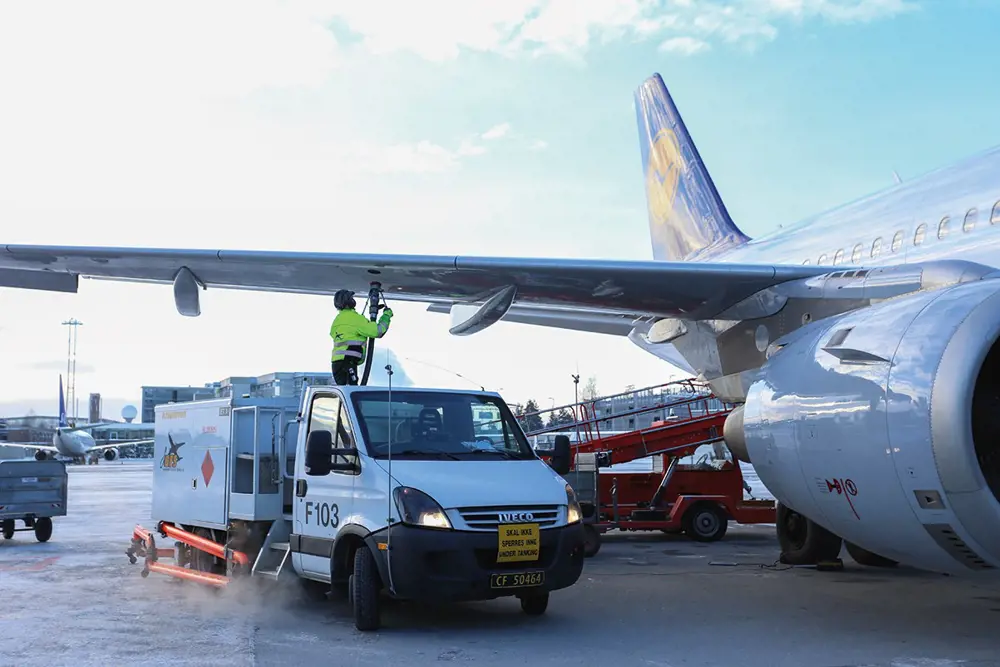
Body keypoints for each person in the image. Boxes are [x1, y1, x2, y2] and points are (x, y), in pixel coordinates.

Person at [330, 289, 393, 385]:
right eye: (351, 298)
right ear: (349, 301)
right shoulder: (354, 319)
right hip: (348, 363)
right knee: (351, 390)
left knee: (348, 391)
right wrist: (386, 315)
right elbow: (377, 331)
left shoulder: (338, 320)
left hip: (338, 364)